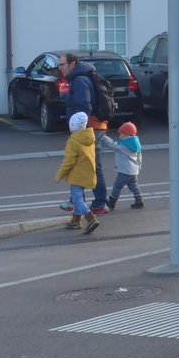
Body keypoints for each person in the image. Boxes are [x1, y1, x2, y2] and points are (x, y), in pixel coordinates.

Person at [59, 52, 110, 212]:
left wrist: (78, 131)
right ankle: (92, 202)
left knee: (84, 164)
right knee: (90, 165)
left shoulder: (80, 81)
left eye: (62, 64)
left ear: (72, 64)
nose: (59, 68)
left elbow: (83, 107)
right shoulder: (82, 77)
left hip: (89, 128)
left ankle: (91, 202)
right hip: (94, 126)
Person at [55, 112, 100, 234]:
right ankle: (76, 220)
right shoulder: (89, 138)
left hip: (77, 175)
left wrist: (60, 175)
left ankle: (90, 218)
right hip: (88, 173)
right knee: (78, 197)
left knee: (77, 199)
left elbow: (68, 161)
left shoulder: (73, 141)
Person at [98, 121, 144, 209]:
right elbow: (139, 158)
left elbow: (112, 145)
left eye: (121, 134)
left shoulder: (123, 146)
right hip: (134, 170)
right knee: (133, 185)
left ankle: (112, 201)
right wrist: (139, 167)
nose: (119, 136)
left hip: (125, 170)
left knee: (117, 185)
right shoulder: (136, 145)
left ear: (126, 135)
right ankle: (139, 200)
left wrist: (103, 137)